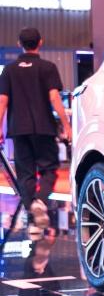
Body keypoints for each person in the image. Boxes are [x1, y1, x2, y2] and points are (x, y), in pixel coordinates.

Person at [0, 28, 71, 233]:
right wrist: (66, 125)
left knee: (25, 174)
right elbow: (54, 98)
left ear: (19, 44)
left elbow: (2, 101)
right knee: (50, 169)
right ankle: (40, 202)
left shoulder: (9, 70)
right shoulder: (48, 67)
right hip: (44, 128)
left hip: (19, 129)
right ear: (40, 42)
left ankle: (33, 220)